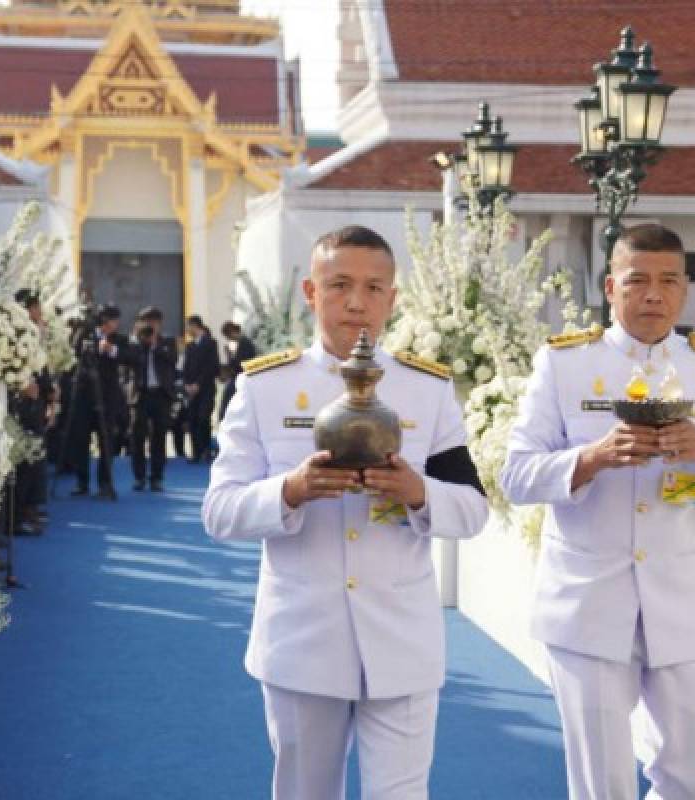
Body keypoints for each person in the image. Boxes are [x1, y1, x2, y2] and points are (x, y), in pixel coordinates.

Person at [203, 225, 488, 800]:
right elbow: (220, 510)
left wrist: (417, 491)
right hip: (302, 641)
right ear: (310, 292)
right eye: (339, 285)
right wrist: (290, 489)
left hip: (401, 641)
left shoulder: (425, 391)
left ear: (393, 298)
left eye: (373, 287)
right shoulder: (265, 388)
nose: (357, 302)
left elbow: (473, 510)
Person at [500, 224, 695, 800]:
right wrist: (592, 457)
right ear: (610, 286)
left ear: (684, 291)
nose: (654, 294)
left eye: (668, 281)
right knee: (603, 785)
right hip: (588, 604)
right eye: (638, 280)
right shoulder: (563, 365)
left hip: (681, 604)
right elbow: (516, 475)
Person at [69, 303, 129, 498]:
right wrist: (89, 339)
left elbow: (131, 357)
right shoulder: (86, 335)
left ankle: (105, 482)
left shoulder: (119, 340)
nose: (115, 324)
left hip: (107, 397)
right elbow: (75, 350)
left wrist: (111, 350)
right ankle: (81, 481)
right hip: (85, 395)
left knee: (106, 440)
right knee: (80, 439)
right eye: (112, 320)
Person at [11, 289, 54, 533]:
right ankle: (18, 517)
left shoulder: (37, 332)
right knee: (24, 463)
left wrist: (49, 391)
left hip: (36, 405)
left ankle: (30, 508)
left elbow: (41, 365)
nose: (39, 312)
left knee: (35, 460)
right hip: (22, 407)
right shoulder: (14, 334)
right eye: (35, 307)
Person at [129, 306, 177, 492]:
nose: (150, 325)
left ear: (159, 323)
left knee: (159, 437)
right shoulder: (135, 343)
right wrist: (141, 341)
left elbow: (172, 359)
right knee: (137, 437)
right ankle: (139, 477)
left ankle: (157, 477)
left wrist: (155, 344)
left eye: (153, 322)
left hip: (161, 395)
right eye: (146, 322)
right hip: (140, 395)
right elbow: (128, 360)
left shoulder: (168, 342)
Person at [182, 314, 220, 463]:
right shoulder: (190, 346)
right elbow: (186, 367)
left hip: (205, 389)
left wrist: (199, 383)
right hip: (191, 390)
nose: (187, 330)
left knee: (203, 418)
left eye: (188, 326)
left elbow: (211, 367)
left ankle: (206, 450)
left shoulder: (210, 343)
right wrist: (187, 384)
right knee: (192, 420)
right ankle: (196, 452)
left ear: (195, 325)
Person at [218, 320, 257, 422]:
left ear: (232, 332)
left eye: (228, 337)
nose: (229, 339)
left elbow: (240, 364)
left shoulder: (245, 344)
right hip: (239, 378)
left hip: (242, 379)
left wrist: (230, 356)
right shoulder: (242, 343)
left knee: (227, 403)